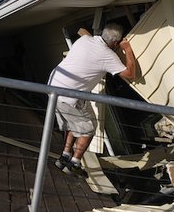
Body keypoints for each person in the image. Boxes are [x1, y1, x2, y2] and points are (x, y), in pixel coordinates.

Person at [48, 22, 140, 175]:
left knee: (74, 123)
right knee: (88, 129)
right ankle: (74, 164)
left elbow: (85, 34)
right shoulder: (108, 55)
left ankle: (64, 156)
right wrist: (127, 49)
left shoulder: (85, 40)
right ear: (115, 42)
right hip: (70, 96)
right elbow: (131, 74)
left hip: (53, 87)